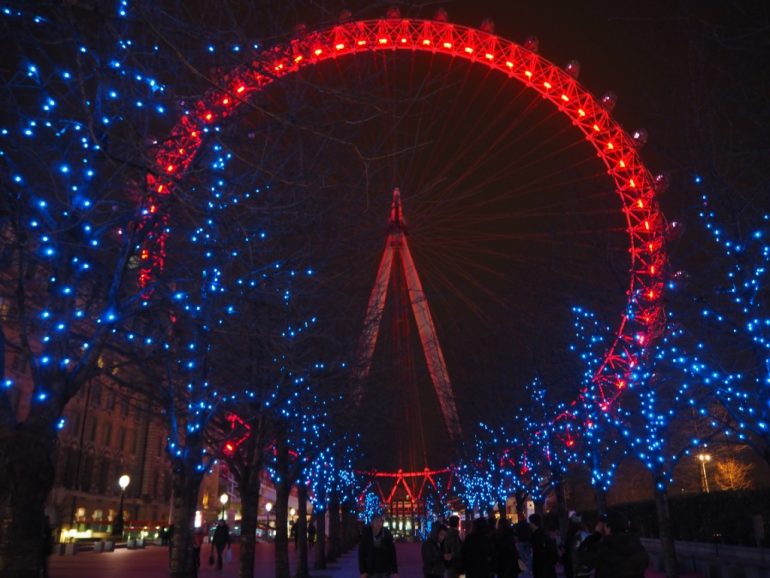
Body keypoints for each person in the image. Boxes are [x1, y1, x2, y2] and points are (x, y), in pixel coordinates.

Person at [577, 511, 649, 578]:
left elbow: (582, 558)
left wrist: (596, 535)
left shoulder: (603, 548)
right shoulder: (637, 545)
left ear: (608, 527)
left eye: (604, 525)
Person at [358, 514, 399, 578]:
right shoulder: (366, 535)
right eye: (376, 521)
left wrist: (395, 571)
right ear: (372, 523)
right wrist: (363, 571)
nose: (378, 524)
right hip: (371, 570)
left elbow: (392, 553)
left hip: (385, 570)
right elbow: (361, 554)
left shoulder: (387, 534)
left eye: (380, 521)